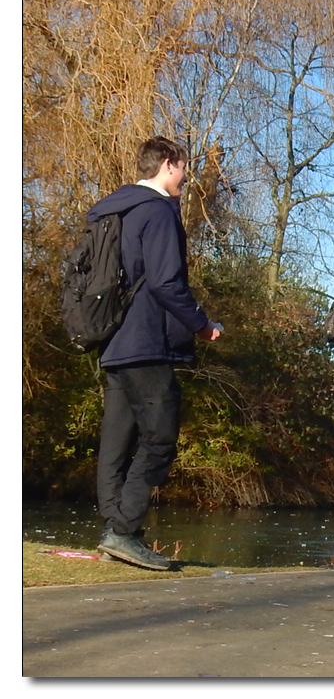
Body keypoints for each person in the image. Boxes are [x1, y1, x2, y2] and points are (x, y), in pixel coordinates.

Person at [92, 136, 221, 570]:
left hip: (113, 340)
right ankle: (123, 532)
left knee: (116, 440)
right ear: (169, 165)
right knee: (160, 437)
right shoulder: (158, 210)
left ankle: (115, 529)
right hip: (145, 341)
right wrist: (202, 325)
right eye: (183, 167)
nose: (185, 177)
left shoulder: (115, 209)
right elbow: (167, 283)